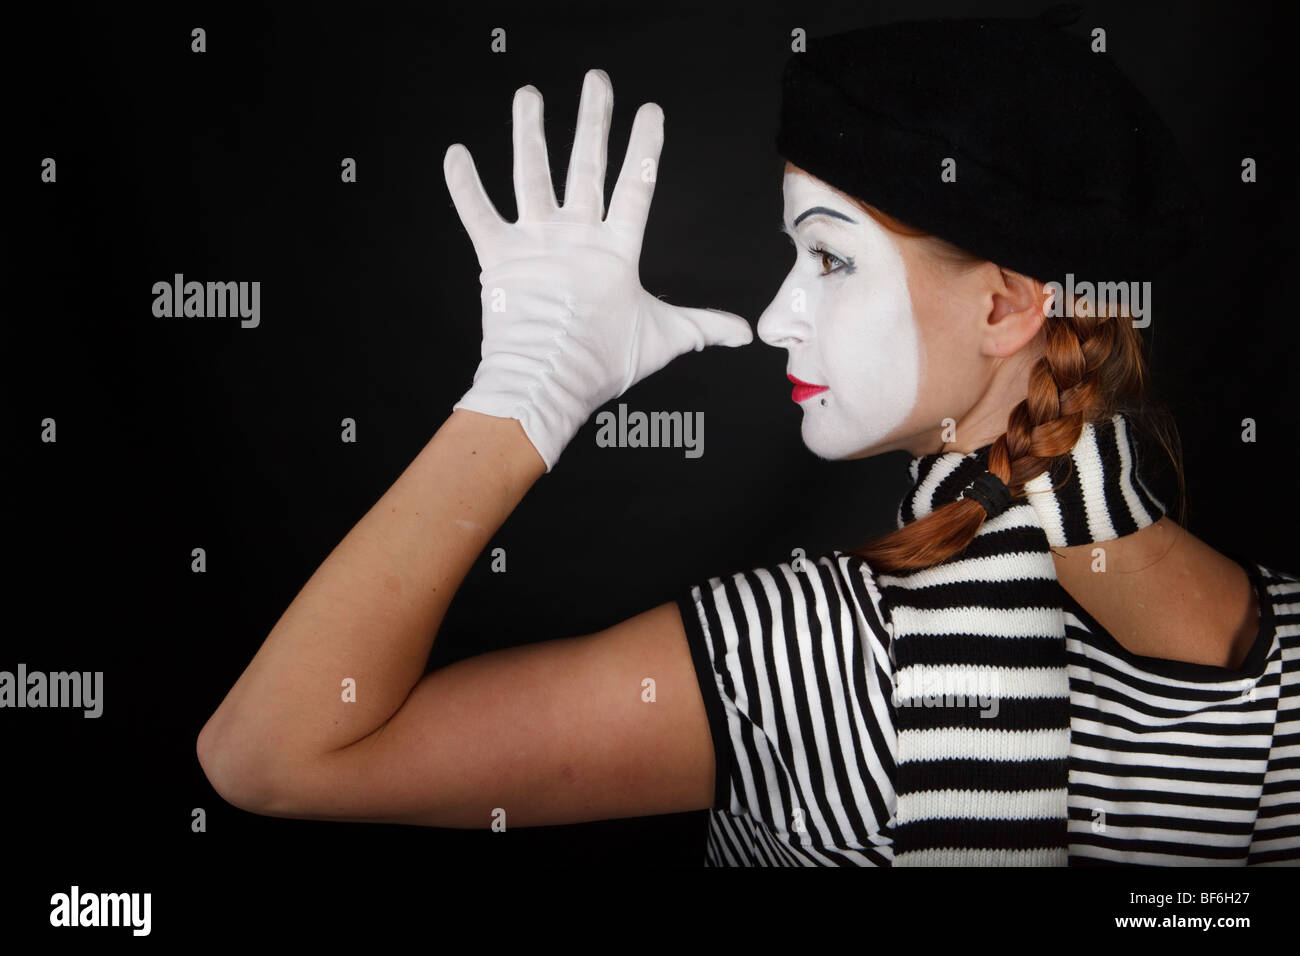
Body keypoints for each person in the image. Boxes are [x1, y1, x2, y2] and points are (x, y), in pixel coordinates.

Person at [195, 14, 1300, 866]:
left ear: (1006, 307)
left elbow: (272, 754)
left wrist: (520, 394)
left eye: (826, 258)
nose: (776, 316)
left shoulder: (819, 659)